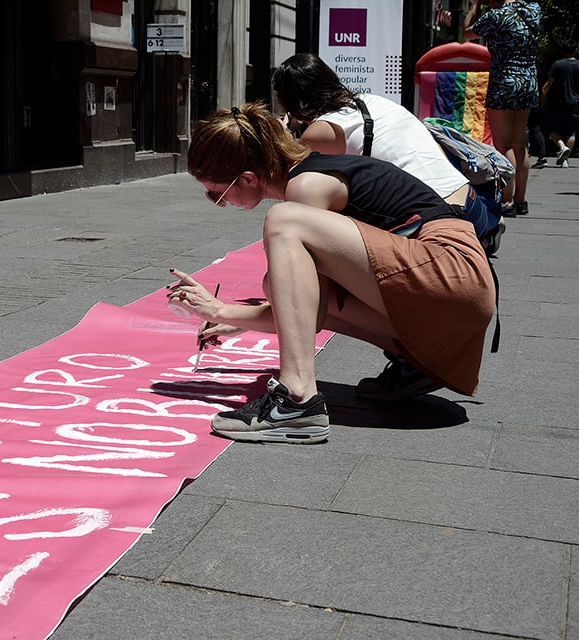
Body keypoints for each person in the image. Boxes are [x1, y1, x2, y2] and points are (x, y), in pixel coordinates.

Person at [167, 102, 496, 444]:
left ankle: (297, 400)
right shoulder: (314, 172)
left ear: (248, 178)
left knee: (284, 221)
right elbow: (305, 306)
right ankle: (413, 363)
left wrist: (221, 310)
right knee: (276, 284)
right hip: (455, 299)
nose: (216, 201)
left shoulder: (305, 187)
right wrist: (232, 318)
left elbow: (314, 310)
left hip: (451, 271)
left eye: (217, 194)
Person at [272, 53, 505, 255]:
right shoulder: (372, 101)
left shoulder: (322, 131)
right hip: (473, 205)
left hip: (440, 219)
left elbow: (292, 179)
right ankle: (481, 239)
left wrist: (281, 134)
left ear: (295, 102)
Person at [464, 0, 542, 216]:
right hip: (528, 80)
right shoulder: (533, 11)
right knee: (519, 143)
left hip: (505, 81)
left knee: (503, 144)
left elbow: (468, 33)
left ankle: (507, 200)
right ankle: (521, 200)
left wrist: (474, 8)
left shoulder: (496, 16)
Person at [541, 39, 579, 168]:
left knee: (551, 129)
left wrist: (543, 93)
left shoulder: (557, 65)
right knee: (572, 132)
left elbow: (549, 83)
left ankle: (562, 147)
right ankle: (565, 160)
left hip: (557, 103)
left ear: (563, 51)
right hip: (575, 103)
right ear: (576, 51)